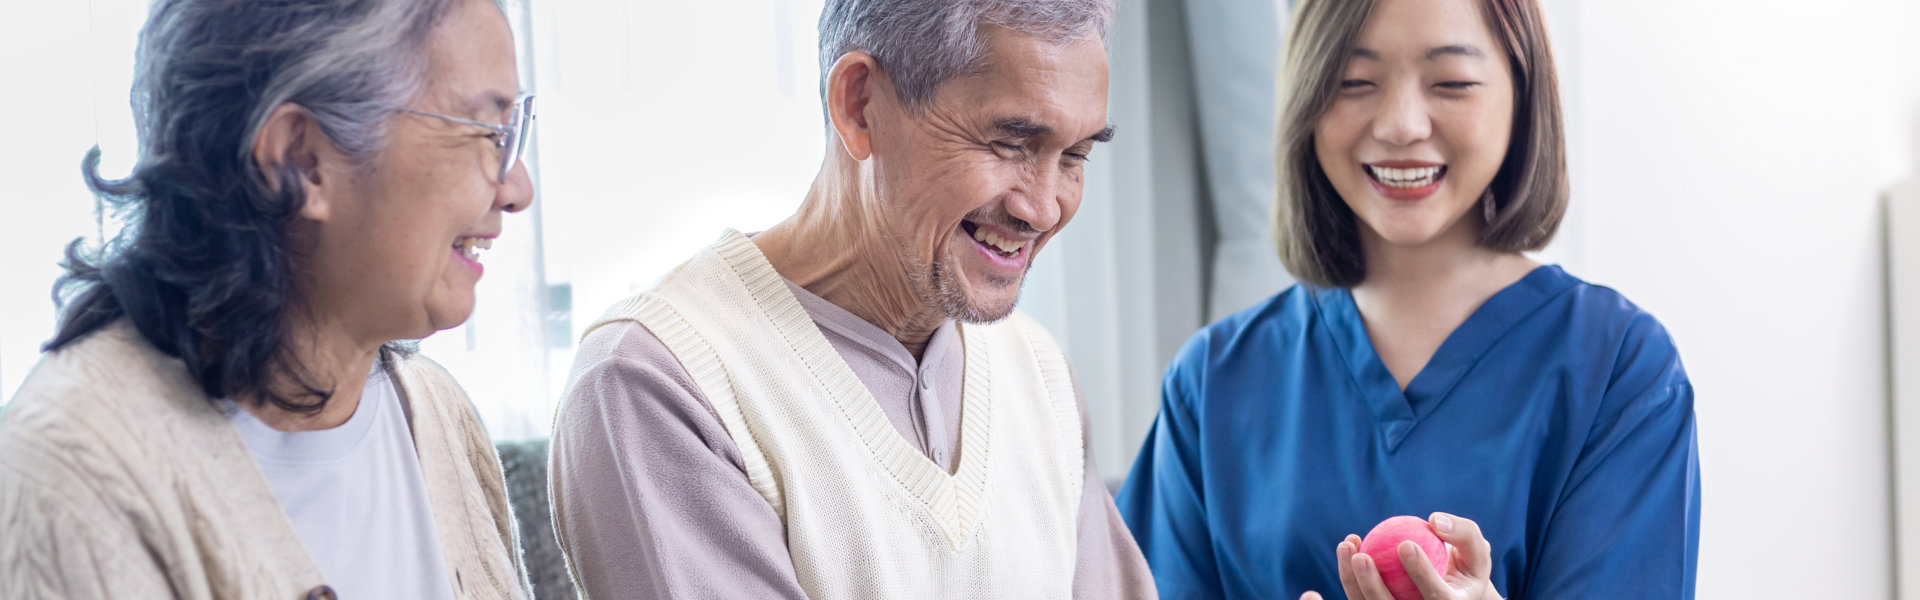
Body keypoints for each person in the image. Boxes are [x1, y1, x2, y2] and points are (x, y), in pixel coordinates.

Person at [546, 0, 1155, 597]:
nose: (1045, 208)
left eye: (1075, 156)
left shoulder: (1041, 375)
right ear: (859, 106)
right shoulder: (657, 384)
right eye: (1010, 143)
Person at [1115, 0, 1700, 598]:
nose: (1400, 125)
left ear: (1522, 95)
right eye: (1354, 82)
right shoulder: (1215, 379)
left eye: (1451, 83)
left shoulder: (1620, 369)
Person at [0, 0, 538, 597]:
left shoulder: (435, 414)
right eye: (488, 132)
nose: (518, 189)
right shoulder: (80, 470)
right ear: (300, 161)